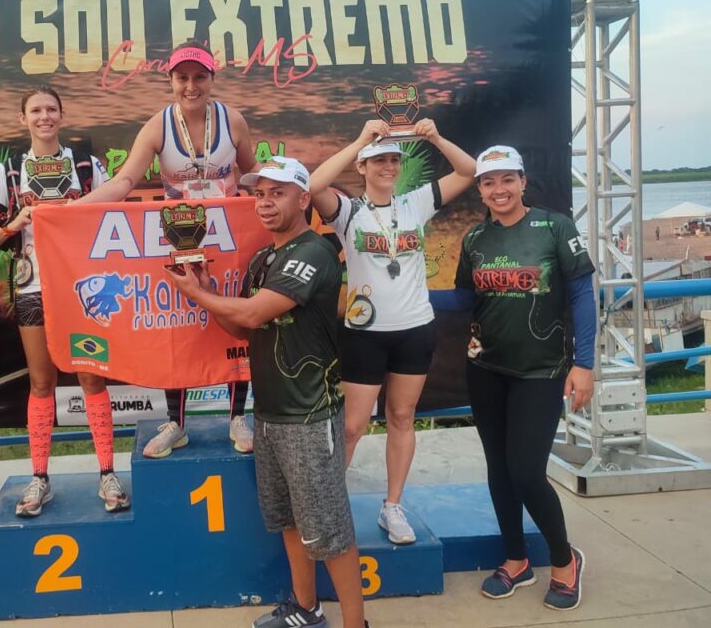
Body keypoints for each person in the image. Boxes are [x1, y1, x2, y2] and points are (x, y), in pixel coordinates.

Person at [166, 158, 367, 628]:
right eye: (259, 194)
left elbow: (256, 314)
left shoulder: (314, 251)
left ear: (303, 199)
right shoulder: (263, 259)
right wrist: (209, 288)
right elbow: (239, 324)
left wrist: (197, 296)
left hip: (311, 415)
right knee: (289, 521)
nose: (265, 202)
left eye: (277, 193)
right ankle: (306, 608)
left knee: (331, 532)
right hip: (271, 413)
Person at [81, 42, 259, 459]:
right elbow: (125, 182)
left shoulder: (232, 120)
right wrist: (71, 210)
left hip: (228, 238)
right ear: (171, 81)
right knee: (175, 326)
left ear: (212, 79)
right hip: (179, 238)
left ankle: (237, 416)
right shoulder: (157, 126)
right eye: (183, 78)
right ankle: (177, 422)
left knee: (233, 319)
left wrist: (289, 194)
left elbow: (252, 173)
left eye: (200, 77)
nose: (191, 86)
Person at [309, 118, 475, 544]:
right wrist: (360, 140)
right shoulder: (348, 212)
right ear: (362, 168)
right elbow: (311, 187)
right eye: (377, 160)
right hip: (365, 333)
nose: (387, 166)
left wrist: (436, 137)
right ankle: (329, 503)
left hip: (414, 329)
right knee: (352, 426)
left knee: (402, 417)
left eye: (392, 160)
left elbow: (468, 171)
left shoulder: (415, 204)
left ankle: (393, 506)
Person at [454, 145, 595, 611]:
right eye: (489, 182)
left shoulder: (555, 227)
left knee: (527, 471)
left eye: (507, 179)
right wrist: (388, 303)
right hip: (485, 368)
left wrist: (585, 364)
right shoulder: (475, 239)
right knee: (499, 469)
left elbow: (581, 297)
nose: (499, 190)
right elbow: (460, 301)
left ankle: (563, 561)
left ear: (523, 181)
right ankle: (515, 560)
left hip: (542, 370)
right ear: (479, 189)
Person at [0, 86, 129, 517]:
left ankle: (107, 472)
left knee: (91, 380)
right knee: (41, 384)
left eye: (51, 109)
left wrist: (79, 212)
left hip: (82, 288)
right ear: (22, 118)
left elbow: (114, 214)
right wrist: (16, 223)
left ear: (62, 116)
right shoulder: (9, 171)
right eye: (36, 110)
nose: (44, 117)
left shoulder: (86, 165)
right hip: (33, 289)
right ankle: (39, 478)